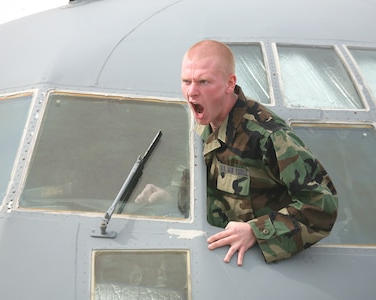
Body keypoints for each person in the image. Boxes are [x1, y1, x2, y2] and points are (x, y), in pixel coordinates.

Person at [137, 40, 338, 265]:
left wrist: (256, 230)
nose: (192, 92)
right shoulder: (200, 124)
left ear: (229, 83)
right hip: (213, 254)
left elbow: (322, 206)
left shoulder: (269, 137)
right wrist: (172, 196)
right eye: (186, 81)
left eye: (204, 82)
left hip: (259, 265)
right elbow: (195, 178)